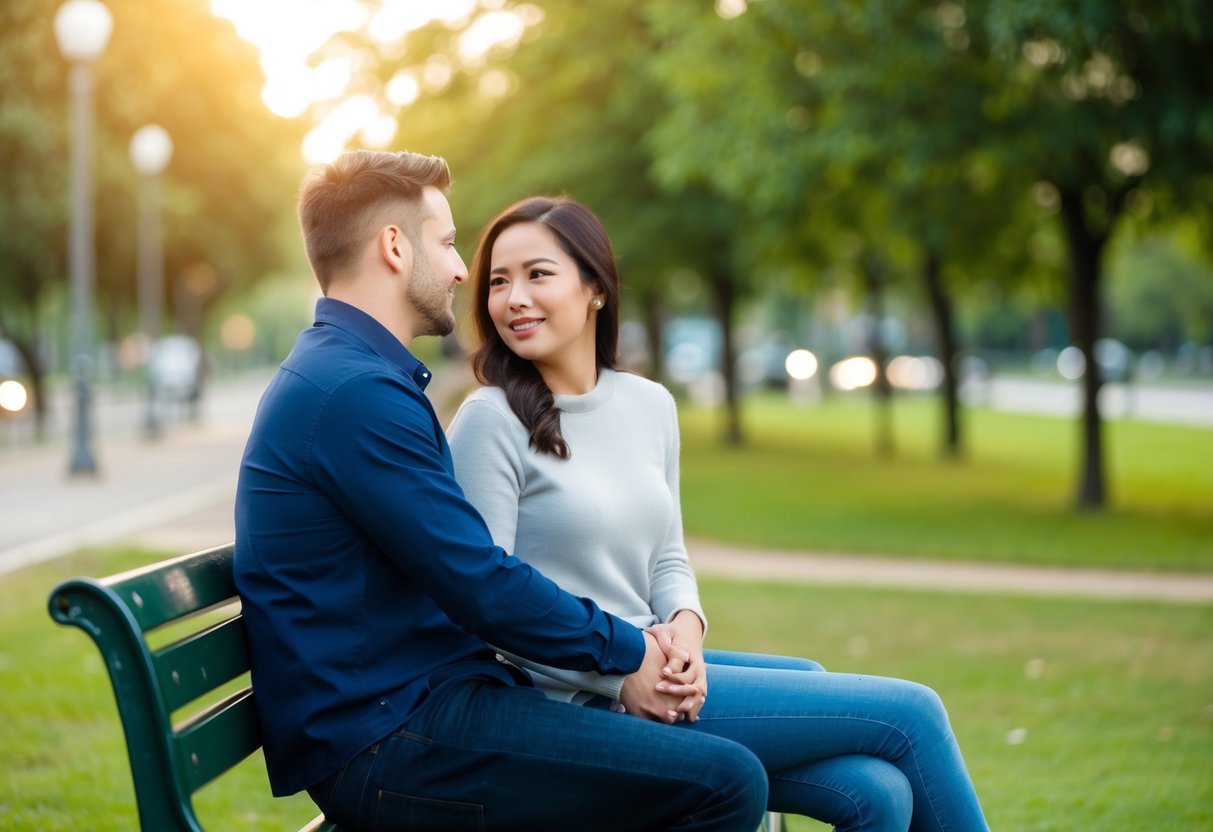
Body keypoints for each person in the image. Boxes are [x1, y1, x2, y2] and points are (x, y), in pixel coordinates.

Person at [233, 151, 772, 832]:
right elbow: (481, 582)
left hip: (418, 706)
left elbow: (466, 577)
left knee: (779, 770)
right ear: (395, 248)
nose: (461, 269)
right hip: (386, 742)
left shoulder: (357, 378)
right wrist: (629, 652)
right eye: (449, 243)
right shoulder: (353, 393)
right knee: (723, 782)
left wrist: (641, 647)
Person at [447, 195, 992, 832]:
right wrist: (624, 675)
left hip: (657, 662)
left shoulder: (649, 405)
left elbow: (669, 555)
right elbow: (488, 611)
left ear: (595, 287)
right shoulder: (490, 420)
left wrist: (686, 628)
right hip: (574, 703)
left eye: (537, 274)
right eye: (498, 281)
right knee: (913, 713)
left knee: (876, 792)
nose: (514, 297)